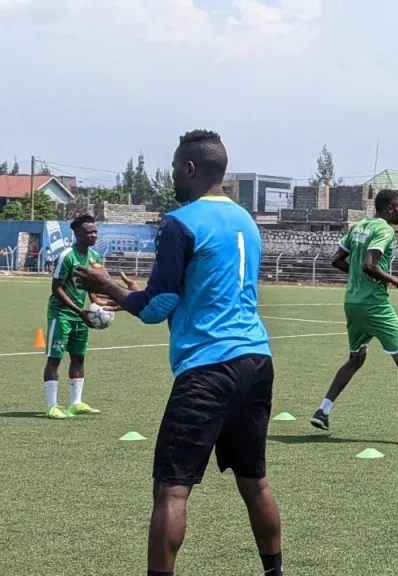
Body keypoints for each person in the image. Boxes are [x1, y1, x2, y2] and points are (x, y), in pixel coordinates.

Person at [74, 130, 284, 576]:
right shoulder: (247, 221)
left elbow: (158, 308)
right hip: (256, 361)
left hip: (208, 366)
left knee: (171, 491)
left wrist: (108, 287)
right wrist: (141, 294)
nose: (171, 175)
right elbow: (198, 291)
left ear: (190, 168)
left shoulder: (180, 221)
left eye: (173, 167)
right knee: (255, 483)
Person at [310, 189, 398, 445]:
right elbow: (370, 265)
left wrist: (357, 276)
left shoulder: (358, 227)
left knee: (356, 358)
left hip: (352, 302)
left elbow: (337, 261)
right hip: (374, 305)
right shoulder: (384, 230)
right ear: (389, 209)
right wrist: (397, 281)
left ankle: (323, 411)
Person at [43, 213, 105, 419]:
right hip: (62, 313)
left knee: (78, 358)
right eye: (89, 232)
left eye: (95, 232)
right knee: (55, 358)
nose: (94, 235)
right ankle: (52, 406)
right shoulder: (66, 256)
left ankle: (75, 403)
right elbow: (57, 289)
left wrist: (98, 305)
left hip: (81, 315)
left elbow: (91, 288)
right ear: (77, 234)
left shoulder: (94, 258)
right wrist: (80, 311)